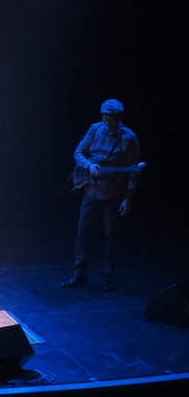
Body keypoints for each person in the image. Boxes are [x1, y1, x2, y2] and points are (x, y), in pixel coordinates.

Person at [62, 99, 140, 292]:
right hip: (92, 190)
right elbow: (78, 152)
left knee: (110, 237)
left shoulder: (129, 138)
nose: (108, 124)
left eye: (111, 120)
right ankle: (79, 275)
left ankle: (107, 278)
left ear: (119, 118)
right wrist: (90, 165)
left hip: (113, 193)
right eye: (105, 119)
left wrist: (128, 199)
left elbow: (133, 172)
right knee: (82, 234)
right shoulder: (95, 130)